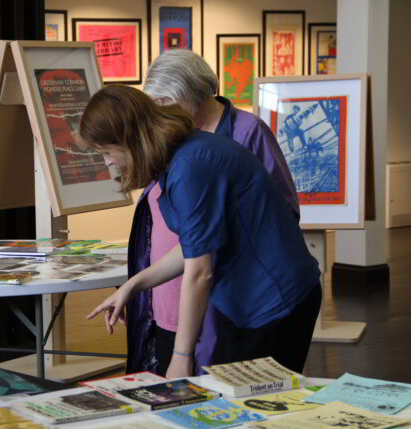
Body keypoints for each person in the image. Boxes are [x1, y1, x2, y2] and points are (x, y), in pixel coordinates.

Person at [81, 85, 321, 379]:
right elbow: (193, 246)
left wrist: (181, 357)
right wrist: (133, 286)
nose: (108, 162)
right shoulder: (183, 153)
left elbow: (199, 271)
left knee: (258, 411)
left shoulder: (190, 166)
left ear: (130, 138)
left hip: (277, 302)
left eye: (107, 151)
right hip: (254, 299)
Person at [125, 49, 300, 377]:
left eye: (165, 102)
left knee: (225, 390)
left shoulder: (247, 131)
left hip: (225, 286)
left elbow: (282, 209)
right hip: (173, 283)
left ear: (191, 95)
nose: (159, 111)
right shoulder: (171, 133)